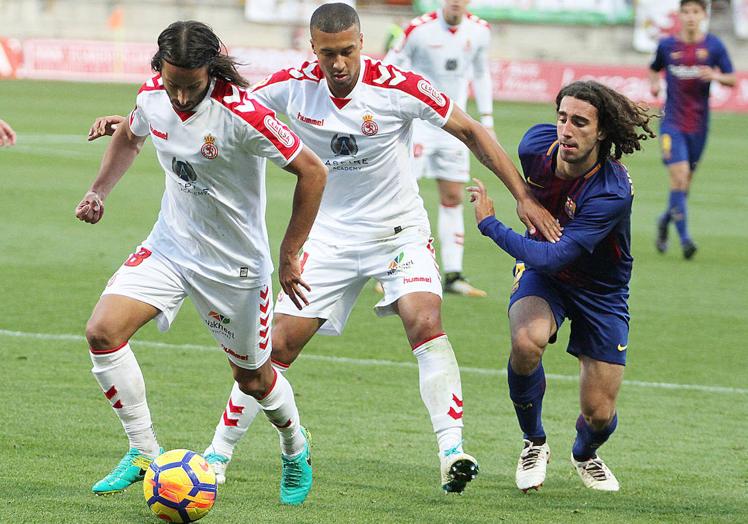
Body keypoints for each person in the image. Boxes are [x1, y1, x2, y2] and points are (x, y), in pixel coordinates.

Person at [90, 3, 560, 494]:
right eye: (328, 54)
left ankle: (451, 449)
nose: (338, 64)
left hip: (396, 231)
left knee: (424, 320)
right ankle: (218, 454)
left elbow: (471, 131)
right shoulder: (290, 86)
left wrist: (523, 197)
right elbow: (214, 106)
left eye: (348, 52)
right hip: (328, 236)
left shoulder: (398, 86)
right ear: (312, 49)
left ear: (362, 43)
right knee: (276, 351)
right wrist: (134, 117)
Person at [77, 20, 327, 506]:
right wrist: (98, 191)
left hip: (233, 267)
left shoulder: (245, 115)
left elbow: (312, 172)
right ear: (159, 69)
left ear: (211, 71)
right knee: (102, 333)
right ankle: (144, 451)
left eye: (192, 86)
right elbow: (130, 137)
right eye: (172, 83)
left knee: (252, 379)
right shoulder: (153, 94)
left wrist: (290, 251)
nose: (181, 96)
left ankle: (295, 446)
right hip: (170, 246)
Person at [467, 81, 655, 492]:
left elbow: (558, 255)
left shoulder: (611, 191)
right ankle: (533, 440)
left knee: (600, 415)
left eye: (580, 123)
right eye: (562, 118)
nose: (566, 130)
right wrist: (523, 198)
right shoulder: (536, 145)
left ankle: (585, 454)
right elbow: (544, 256)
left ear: (601, 132)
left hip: (600, 291)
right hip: (543, 274)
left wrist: (490, 225)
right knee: (527, 340)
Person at [384, 0, 494, 296]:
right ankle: (388, 269)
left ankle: (454, 274)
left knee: (453, 196)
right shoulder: (418, 30)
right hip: (418, 125)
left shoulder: (480, 31)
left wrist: (487, 120)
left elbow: (481, 74)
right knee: (401, 193)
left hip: (454, 127)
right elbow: (389, 66)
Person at [649, 0, 735, 259]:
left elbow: (732, 78)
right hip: (671, 124)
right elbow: (653, 69)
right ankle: (686, 241)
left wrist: (716, 77)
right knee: (678, 176)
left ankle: (664, 222)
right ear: (680, 14)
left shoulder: (713, 46)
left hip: (698, 126)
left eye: (695, 12)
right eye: (686, 11)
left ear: (703, 15)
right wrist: (654, 85)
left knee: (684, 186)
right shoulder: (667, 46)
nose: (690, 17)